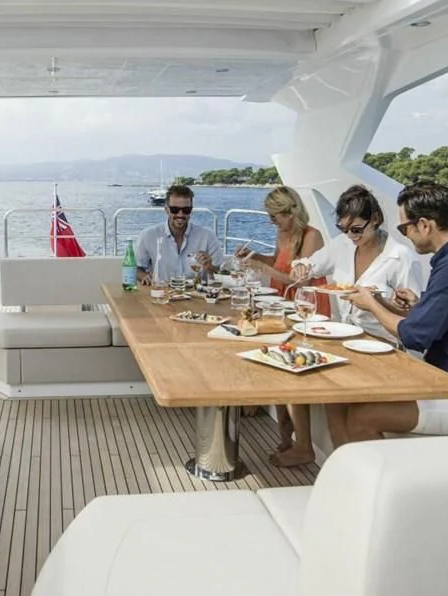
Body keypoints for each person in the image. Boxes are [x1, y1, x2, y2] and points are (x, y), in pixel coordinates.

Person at [333, 181, 448, 443]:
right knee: (342, 397)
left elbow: (414, 335)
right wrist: (418, 303)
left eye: (404, 227)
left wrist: (370, 302)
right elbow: (445, 316)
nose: (405, 234)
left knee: (362, 417)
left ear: (424, 225)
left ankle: (385, 484)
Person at [235, 186, 327, 462]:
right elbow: (279, 263)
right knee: (277, 366)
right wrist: (255, 257)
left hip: (304, 312)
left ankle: (304, 446)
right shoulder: (282, 234)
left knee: (291, 375)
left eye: (275, 216)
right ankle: (287, 440)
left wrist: (264, 269)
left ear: (291, 212)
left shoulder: (313, 237)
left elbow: (300, 281)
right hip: (281, 307)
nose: (271, 221)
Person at [289, 184, 423, 342]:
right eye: (344, 229)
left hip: (382, 343)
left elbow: (413, 317)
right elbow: (308, 266)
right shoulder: (341, 245)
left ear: (375, 219)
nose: (350, 235)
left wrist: (375, 301)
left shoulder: (400, 257)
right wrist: (300, 268)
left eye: (356, 229)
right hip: (342, 336)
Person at [135, 184, 223, 285]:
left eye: (186, 210)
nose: (180, 215)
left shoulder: (207, 236)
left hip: (197, 296)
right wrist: (144, 276)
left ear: (191, 210)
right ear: (166, 210)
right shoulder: (148, 236)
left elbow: (221, 273)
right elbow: (136, 268)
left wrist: (209, 266)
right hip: (163, 293)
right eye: (175, 210)